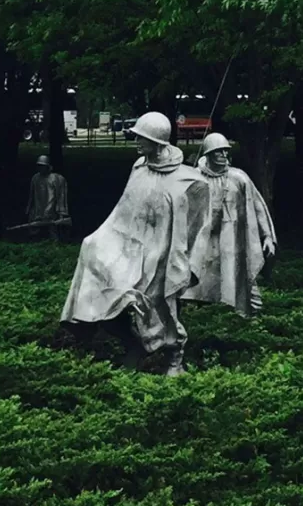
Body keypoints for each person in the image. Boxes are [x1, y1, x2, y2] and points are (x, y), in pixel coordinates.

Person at [62, 112, 209, 376]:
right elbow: (123, 213)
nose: (136, 142)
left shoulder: (189, 181)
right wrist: (99, 240)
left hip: (162, 254)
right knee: (96, 263)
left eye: (142, 137)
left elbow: (197, 229)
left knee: (158, 298)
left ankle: (174, 358)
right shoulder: (139, 167)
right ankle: (129, 342)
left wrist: (185, 261)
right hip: (130, 246)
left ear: (157, 140)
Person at [185, 133, 276, 318]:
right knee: (199, 276)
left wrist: (267, 236)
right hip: (205, 238)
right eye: (219, 152)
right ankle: (197, 314)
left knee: (238, 273)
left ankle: (251, 314)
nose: (224, 155)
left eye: (226, 151)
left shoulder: (239, 178)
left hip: (232, 236)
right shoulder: (194, 178)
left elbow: (258, 206)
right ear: (209, 154)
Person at [24, 155, 70, 241]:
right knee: (35, 229)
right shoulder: (35, 178)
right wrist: (29, 209)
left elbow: (60, 195)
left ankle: (54, 244)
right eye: (39, 166)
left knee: (53, 229)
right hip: (39, 209)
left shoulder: (56, 179)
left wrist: (61, 211)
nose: (40, 168)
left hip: (51, 209)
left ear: (47, 167)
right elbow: (32, 195)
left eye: (43, 166)